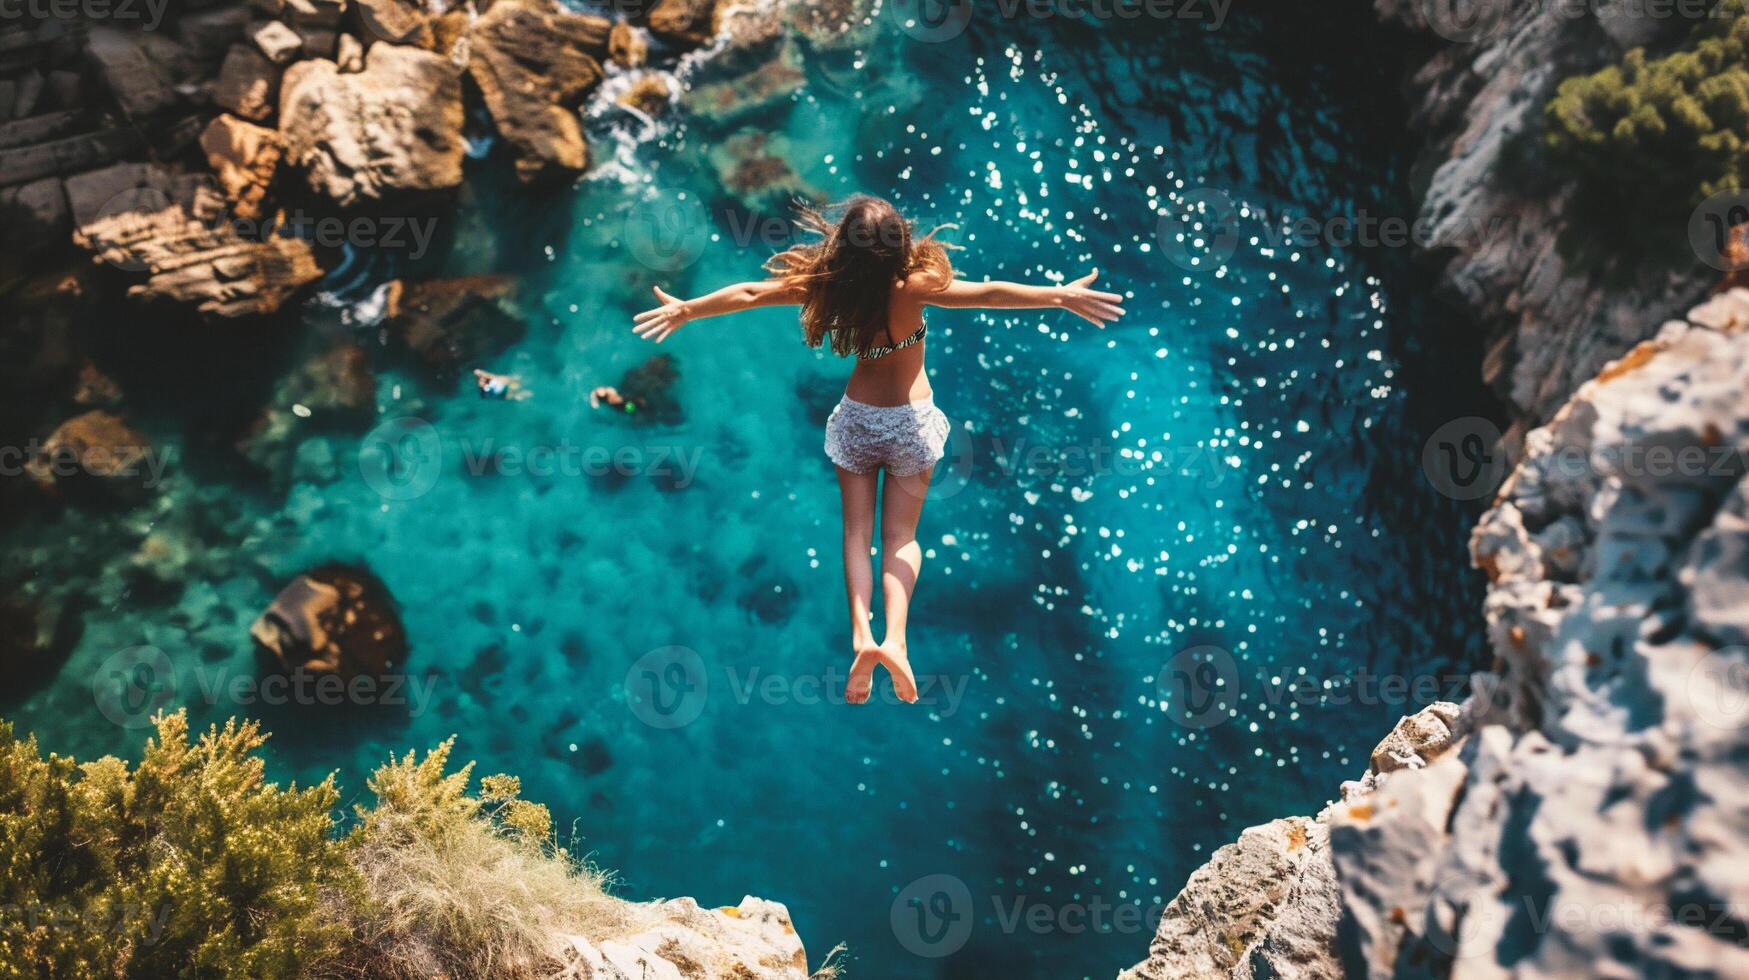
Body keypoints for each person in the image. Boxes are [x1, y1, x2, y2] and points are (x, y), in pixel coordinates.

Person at [632, 195, 1124, 704]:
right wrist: (1059, 296)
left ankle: (862, 638)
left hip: (858, 423)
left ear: (843, 246)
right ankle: (896, 640)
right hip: (911, 426)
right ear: (901, 246)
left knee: (856, 534)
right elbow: (993, 293)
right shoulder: (915, 287)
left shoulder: (827, 287)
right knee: (901, 538)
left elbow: (754, 291)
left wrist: (688, 309)